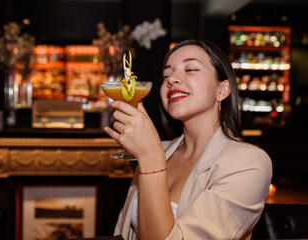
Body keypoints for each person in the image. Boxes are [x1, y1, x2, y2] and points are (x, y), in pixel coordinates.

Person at [104, 39, 272, 240]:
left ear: (223, 89)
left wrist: (150, 158)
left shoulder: (249, 163)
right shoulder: (162, 150)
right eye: (166, 74)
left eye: (190, 69)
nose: (172, 79)